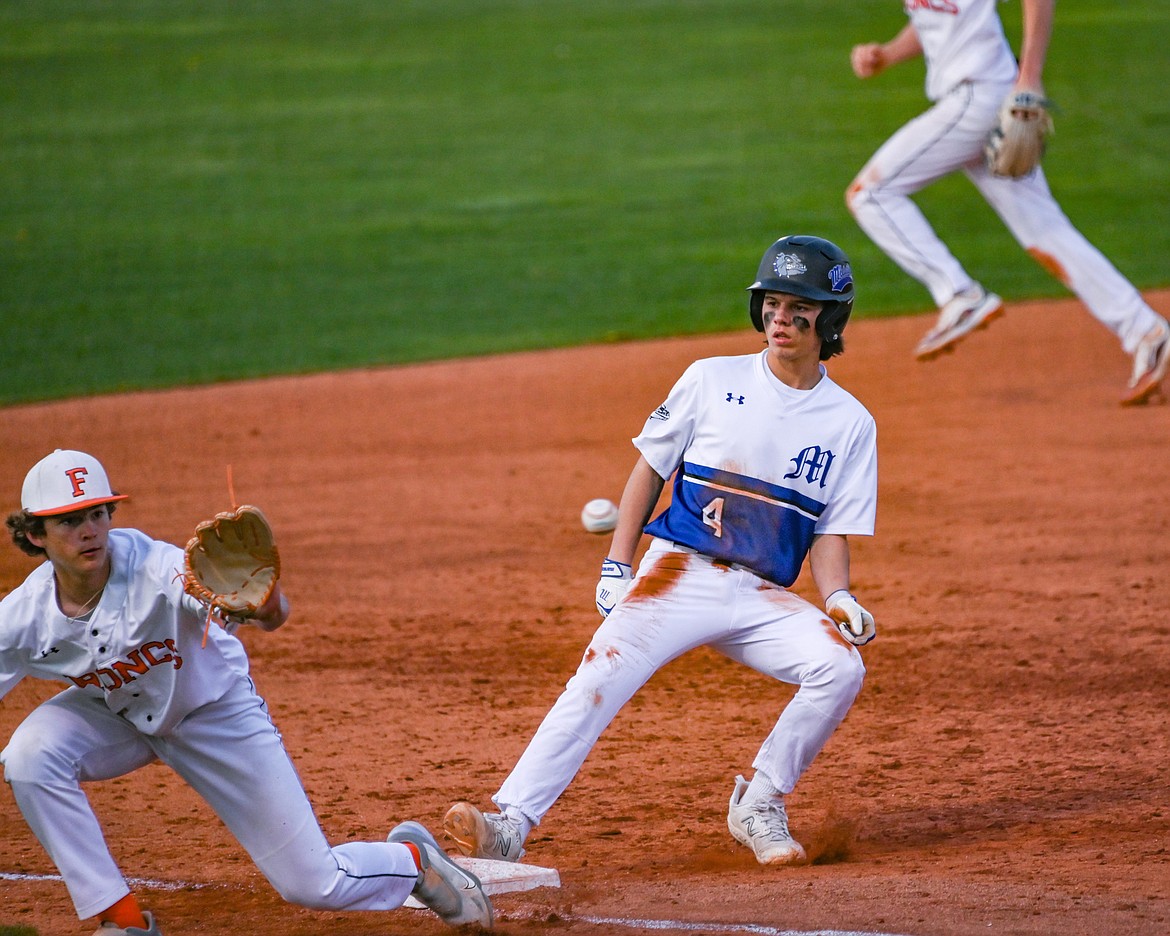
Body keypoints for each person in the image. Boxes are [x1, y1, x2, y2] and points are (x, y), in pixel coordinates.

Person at [444, 235, 878, 867]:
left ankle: (759, 801)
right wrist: (618, 563)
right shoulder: (711, 379)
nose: (781, 319)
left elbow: (829, 528)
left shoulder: (850, 422)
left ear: (829, 318)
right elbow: (649, 470)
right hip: (680, 572)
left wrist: (839, 596)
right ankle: (512, 821)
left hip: (761, 595)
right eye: (772, 304)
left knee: (839, 668)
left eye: (798, 307)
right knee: (598, 676)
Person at [0, 449, 493, 935]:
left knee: (314, 884)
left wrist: (266, 602)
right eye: (68, 521)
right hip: (116, 716)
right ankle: (122, 922)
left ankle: (414, 863)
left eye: (97, 513)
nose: (89, 530)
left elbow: (270, 616)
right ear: (34, 534)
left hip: (212, 713)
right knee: (28, 757)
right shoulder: (23, 615)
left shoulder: (159, 569)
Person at [846, 0, 1169, 406]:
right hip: (981, 96)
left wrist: (1029, 77)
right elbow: (940, 16)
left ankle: (958, 294)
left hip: (979, 95)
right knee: (1044, 230)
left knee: (870, 194)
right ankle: (1145, 332)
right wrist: (889, 53)